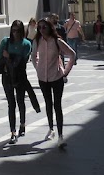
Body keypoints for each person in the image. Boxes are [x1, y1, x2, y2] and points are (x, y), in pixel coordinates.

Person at [0, 20, 35, 144]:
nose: (15, 33)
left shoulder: (27, 44)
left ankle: (22, 124)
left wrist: (10, 57)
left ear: (22, 31)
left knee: (20, 101)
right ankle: (13, 132)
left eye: (18, 31)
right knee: (11, 104)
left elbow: (23, 62)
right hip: (7, 76)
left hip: (20, 77)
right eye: (13, 30)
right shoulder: (6, 42)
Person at [32, 18, 76, 148]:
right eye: (39, 28)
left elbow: (72, 54)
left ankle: (61, 136)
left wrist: (66, 72)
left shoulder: (57, 41)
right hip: (42, 78)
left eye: (44, 27)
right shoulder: (37, 41)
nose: (41, 30)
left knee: (57, 105)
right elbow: (33, 56)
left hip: (56, 77)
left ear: (50, 27)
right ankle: (51, 129)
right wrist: (37, 67)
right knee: (48, 103)